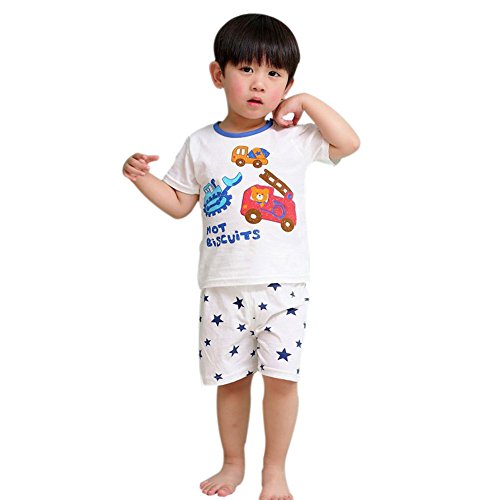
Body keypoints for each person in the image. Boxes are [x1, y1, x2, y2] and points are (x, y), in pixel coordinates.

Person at [122, 13, 360, 500]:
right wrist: (141, 178)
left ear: (286, 85)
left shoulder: (293, 137)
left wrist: (306, 101)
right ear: (218, 74)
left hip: (283, 287)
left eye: (274, 74)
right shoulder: (201, 143)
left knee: (281, 381)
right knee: (230, 382)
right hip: (222, 289)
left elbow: (349, 143)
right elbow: (179, 204)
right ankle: (232, 463)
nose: (259, 84)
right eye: (246, 69)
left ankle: (275, 471)